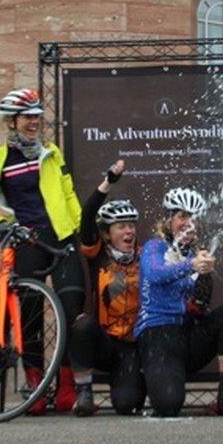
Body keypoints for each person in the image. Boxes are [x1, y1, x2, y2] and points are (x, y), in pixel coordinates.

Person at [0, 88, 85, 415]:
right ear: (12, 121)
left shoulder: (51, 152)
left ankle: (66, 386)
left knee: (70, 310)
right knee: (31, 317)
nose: (34, 122)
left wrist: (76, 225)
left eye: (37, 116)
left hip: (61, 238)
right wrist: (2, 222)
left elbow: (67, 191)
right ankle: (36, 385)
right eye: (27, 117)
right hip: (27, 240)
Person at [135, 187, 223, 417]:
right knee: (168, 405)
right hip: (157, 333)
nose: (189, 223)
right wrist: (191, 266)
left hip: (186, 335)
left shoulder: (195, 253)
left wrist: (203, 279)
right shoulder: (154, 247)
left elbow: (200, 305)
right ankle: (154, 377)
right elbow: (156, 273)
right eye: (182, 216)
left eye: (194, 218)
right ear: (169, 219)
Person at [68, 160, 146, 416]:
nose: (129, 231)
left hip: (130, 346)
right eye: (121, 226)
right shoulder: (97, 254)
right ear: (107, 233)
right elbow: (88, 214)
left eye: (131, 225)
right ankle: (84, 394)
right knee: (81, 325)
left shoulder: (145, 256)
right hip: (103, 341)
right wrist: (108, 181)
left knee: (126, 404)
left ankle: (134, 382)